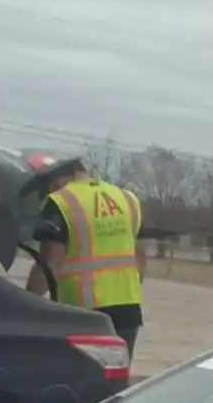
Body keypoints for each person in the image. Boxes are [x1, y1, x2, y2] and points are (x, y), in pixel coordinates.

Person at [23, 153, 148, 359]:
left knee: (81, 382)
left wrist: (27, 305)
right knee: (115, 382)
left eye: (44, 187)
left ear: (55, 179)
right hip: (128, 312)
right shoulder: (127, 199)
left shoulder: (60, 202)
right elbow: (140, 259)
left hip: (82, 314)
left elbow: (49, 266)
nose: (45, 193)